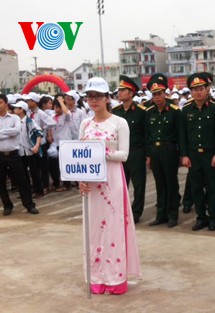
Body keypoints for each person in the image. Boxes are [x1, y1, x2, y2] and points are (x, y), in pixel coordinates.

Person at [78, 77, 141, 295]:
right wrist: (80, 180)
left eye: (98, 96)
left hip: (112, 181)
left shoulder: (119, 122)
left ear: (108, 98)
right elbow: (79, 156)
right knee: (94, 229)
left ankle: (115, 277)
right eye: (90, 96)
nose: (93, 100)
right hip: (91, 186)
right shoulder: (85, 124)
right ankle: (96, 275)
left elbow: (124, 155)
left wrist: (100, 151)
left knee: (113, 229)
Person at [180, 73, 215, 231]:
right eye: (195, 89)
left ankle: (213, 217)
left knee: (212, 188)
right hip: (193, 155)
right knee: (196, 188)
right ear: (191, 91)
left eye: (201, 88)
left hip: (209, 154)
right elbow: (183, 135)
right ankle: (201, 217)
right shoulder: (186, 110)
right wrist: (184, 155)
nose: (198, 92)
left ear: (207, 90)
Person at [144, 73, 181, 227]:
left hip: (169, 149)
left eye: (160, 94)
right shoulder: (149, 112)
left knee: (171, 183)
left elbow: (180, 135)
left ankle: (173, 215)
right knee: (159, 184)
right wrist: (148, 156)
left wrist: (181, 155)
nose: (157, 97)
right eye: (154, 95)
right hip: (155, 151)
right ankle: (161, 215)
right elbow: (148, 135)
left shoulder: (174, 111)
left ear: (165, 94)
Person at [113, 75, 147, 224]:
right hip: (120, 153)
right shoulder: (115, 111)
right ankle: (121, 211)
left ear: (131, 93)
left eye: (123, 90)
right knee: (120, 185)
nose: (119, 93)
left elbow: (147, 134)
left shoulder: (141, 111)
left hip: (136, 152)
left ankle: (136, 213)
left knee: (138, 185)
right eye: (119, 90)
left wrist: (147, 155)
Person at [0, 95, 39, 216]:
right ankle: (7, 205)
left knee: (22, 180)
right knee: (1, 182)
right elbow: (12, 132)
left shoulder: (14, 118)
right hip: (0, 155)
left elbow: (17, 131)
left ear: (6, 104)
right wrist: (8, 133)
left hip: (14, 154)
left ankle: (29, 205)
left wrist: (1, 133)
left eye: (0, 102)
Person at [12, 100, 45, 199]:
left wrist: (36, 146)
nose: (14, 110)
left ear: (21, 110)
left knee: (34, 172)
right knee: (23, 174)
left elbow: (39, 133)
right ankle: (26, 192)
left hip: (30, 151)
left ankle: (39, 191)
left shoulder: (30, 121)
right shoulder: (15, 121)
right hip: (20, 151)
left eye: (16, 108)